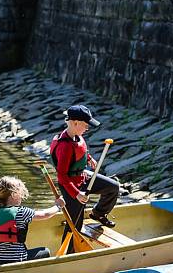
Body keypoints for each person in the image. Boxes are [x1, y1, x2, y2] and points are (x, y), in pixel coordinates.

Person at [50, 104, 120, 252]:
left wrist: (89, 159)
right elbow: (62, 176)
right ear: (75, 123)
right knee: (74, 224)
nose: (87, 128)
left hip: (83, 176)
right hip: (70, 185)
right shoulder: (65, 145)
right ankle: (68, 253)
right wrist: (77, 194)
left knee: (112, 187)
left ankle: (98, 214)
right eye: (85, 125)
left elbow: (80, 150)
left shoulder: (77, 135)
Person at [0, 176, 65, 266]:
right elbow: (45, 214)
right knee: (45, 251)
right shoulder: (21, 211)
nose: (22, 197)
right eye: (20, 194)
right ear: (14, 194)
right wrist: (58, 206)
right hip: (17, 260)